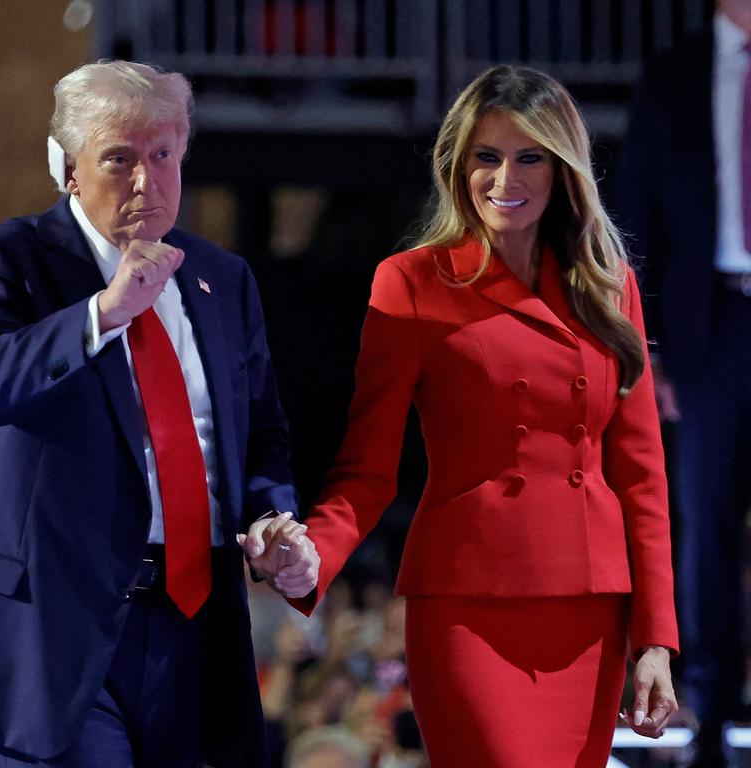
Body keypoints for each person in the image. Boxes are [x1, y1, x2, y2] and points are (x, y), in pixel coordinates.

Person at [0, 60, 319, 768]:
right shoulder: (0, 262)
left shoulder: (223, 279)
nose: (147, 179)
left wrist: (273, 519)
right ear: (69, 170)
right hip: (55, 629)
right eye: (120, 158)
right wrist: (103, 313)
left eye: (163, 155)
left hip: (195, 627)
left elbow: (261, 433)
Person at [287, 65, 680, 766]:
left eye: (530, 157)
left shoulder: (608, 285)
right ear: (459, 165)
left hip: (589, 612)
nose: (507, 178)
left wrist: (655, 639)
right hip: (466, 607)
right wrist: (312, 555)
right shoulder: (410, 283)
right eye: (487, 158)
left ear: (563, 169)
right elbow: (367, 468)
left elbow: (642, 480)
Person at [617, 2, 751, 764]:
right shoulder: (676, 78)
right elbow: (636, 217)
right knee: (706, 524)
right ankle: (709, 706)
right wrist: (648, 350)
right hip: (709, 326)